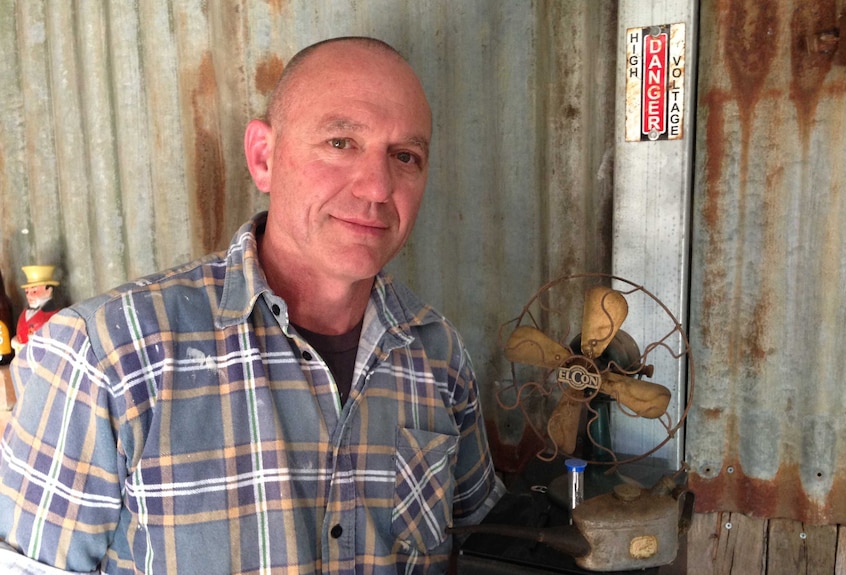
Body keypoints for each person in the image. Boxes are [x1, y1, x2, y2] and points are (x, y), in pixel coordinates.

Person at [0, 36, 504, 574]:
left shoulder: (437, 355)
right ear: (263, 157)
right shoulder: (106, 354)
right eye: (340, 143)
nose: (378, 187)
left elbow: (484, 549)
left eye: (405, 156)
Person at [11, 265, 61, 351]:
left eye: (34, 291)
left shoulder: (54, 316)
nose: (29, 296)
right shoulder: (25, 312)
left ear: (48, 291)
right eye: (27, 292)